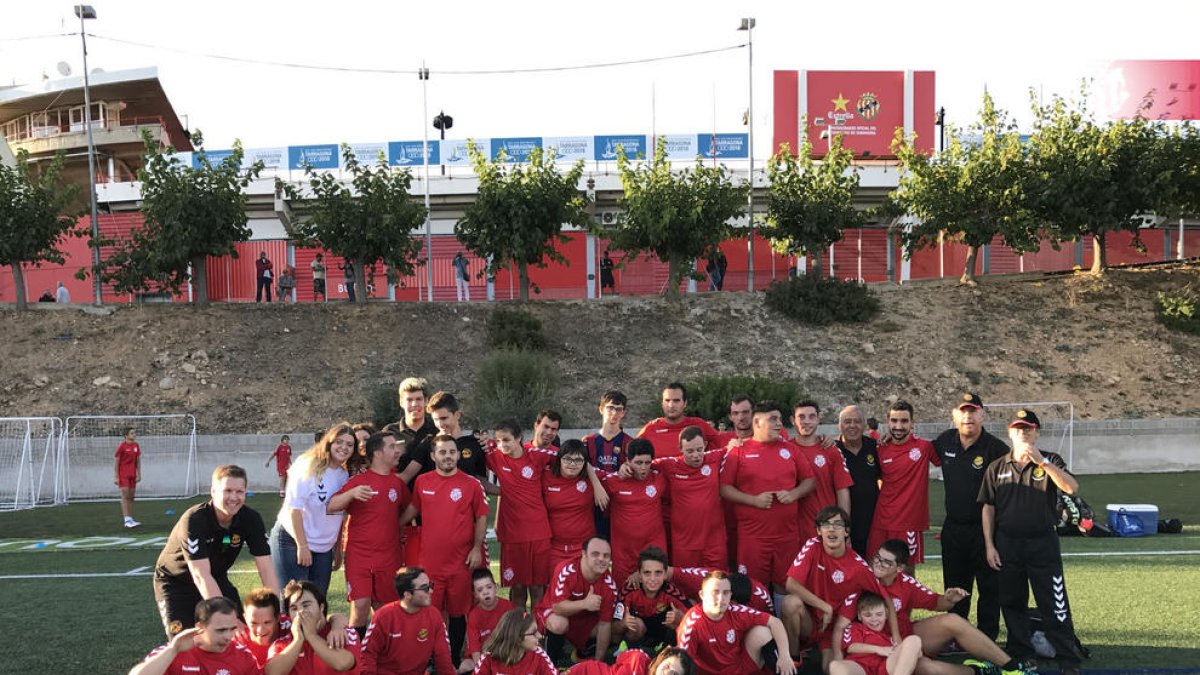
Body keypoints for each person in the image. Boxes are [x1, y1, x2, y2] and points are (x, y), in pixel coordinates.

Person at [979, 409, 1084, 675]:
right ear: (1010, 433)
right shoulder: (997, 467)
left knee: (1054, 603)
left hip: (1042, 543)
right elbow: (988, 508)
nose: (1023, 433)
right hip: (1007, 544)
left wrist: (1044, 464)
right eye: (1018, 429)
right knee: (1012, 602)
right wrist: (990, 546)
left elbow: (1071, 488)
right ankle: (1022, 654)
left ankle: (1067, 658)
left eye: (1028, 428)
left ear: (1037, 432)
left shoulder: (1050, 460)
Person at [838, 539, 1031, 675]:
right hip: (876, 648)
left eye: (886, 562)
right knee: (928, 669)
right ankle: (980, 671)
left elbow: (935, 603)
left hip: (908, 638)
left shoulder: (905, 582)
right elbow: (844, 628)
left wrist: (948, 600)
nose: (878, 564)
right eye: (877, 558)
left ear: (899, 569)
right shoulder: (862, 582)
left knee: (953, 620)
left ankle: (1012, 667)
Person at [153, 465, 279, 637]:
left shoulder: (251, 519)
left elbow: (266, 567)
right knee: (185, 644)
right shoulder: (194, 520)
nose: (234, 498)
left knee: (241, 637)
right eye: (227, 491)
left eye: (239, 492)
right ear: (213, 491)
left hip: (217, 578)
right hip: (177, 583)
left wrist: (276, 610)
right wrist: (229, 619)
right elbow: (200, 575)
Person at [399, 434, 489, 666]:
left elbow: (481, 517)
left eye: (451, 452)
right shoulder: (423, 481)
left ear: (458, 455)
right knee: (430, 612)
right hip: (430, 564)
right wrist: (395, 525)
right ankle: (429, 657)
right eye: (442, 452)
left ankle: (452, 658)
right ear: (433, 456)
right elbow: (413, 508)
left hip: (461, 562)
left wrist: (477, 549)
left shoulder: (471, 484)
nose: (447, 456)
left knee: (459, 613)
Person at [932, 393, 1010, 641]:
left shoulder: (997, 449)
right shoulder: (945, 441)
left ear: (982, 415)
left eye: (973, 411)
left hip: (986, 531)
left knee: (990, 589)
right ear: (955, 416)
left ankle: (986, 638)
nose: (968, 416)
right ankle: (956, 637)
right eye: (963, 412)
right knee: (955, 588)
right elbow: (916, 450)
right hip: (953, 529)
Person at [781, 506, 896, 670]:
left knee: (831, 668)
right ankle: (793, 659)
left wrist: (897, 636)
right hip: (811, 621)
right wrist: (824, 607)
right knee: (790, 603)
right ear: (819, 531)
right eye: (826, 524)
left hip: (834, 630)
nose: (832, 529)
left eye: (838, 524)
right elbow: (790, 584)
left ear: (846, 532)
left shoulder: (858, 567)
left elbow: (886, 600)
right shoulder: (813, 546)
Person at [719, 400, 816, 595]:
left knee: (785, 586)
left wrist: (793, 494)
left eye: (780, 419)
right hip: (753, 538)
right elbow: (724, 489)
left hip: (787, 536)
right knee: (755, 588)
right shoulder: (739, 451)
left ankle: (782, 621)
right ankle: (760, 622)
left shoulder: (789, 449)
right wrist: (753, 500)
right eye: (773, 419)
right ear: (756, 423)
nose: (779, 423)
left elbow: (810, 480)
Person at [328, 430, 411, 638]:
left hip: (389, 556)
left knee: (384, 609)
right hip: (360, 555)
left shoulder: (397, 483)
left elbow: (410, 509)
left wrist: (398, 527)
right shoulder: (359, 481)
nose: (397, 451)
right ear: (377, 453)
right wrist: (351, 494)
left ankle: (379, 654)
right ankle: (357, 658)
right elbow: (331, 505)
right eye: (392, 447)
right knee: (360, 606)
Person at [270, 423, 354, 594]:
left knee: (318, 602)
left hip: (323, 548)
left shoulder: (344, 475)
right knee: (294, 601)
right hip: (293, 540)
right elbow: (294, 509)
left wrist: (336, 550)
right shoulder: (308, 466)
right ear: (329, 442)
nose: (344, 447)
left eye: (349, 444)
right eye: (339, 442)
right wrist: (302, 546)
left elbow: (337, 517)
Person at [486, 418, 556, 612]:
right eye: (498, 441)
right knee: (516, 588)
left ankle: (538, 632)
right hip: (512, 534)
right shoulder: (495, 456)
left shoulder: (537, 456)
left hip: (538, 532)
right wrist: (499, 491)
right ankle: (516, 632)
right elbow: (473, 470)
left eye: (506, 440)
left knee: (536, 588)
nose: (502, 445)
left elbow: (574, 459)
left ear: (519, 438)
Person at [676, 570, 795, 675]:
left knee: (762, 632)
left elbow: (775, 622)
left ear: (730, 595)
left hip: (739, 668)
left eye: (725, 592)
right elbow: (683, 662)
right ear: (702, 595)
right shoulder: (691, 623)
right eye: (715, 592)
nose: (721, 598)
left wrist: (785, 655)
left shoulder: (735, 610)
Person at [867, 400, 940, 570]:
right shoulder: (879, 448)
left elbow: (948, 463)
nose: (898, 426)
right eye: (894, 421)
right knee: (875, 570)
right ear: (887, 421)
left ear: (912, 423)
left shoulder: (924, 447)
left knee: (906, 574)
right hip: (881, 520)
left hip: (909, 523)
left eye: (904, 421)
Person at [537, 536, 618, 668]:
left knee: (616, 628)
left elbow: (604, 625)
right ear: (584, 554)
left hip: (583, 621)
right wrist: (584, 603)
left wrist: (598, 664)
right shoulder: (566, 570)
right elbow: (557, 607)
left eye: (606, 555)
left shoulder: (609, 586)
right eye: (595, 554)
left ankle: (588, 653)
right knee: (559, 623)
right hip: (554, 612)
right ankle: (551, 663)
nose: (601, 559)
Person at [653, 426, 726, 569]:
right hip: (685, 543)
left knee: (718, 584)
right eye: (690, 451)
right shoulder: (669, 465)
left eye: (699, 449)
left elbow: (737, 447)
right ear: (680, 448)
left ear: (705, 445)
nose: (696, 455)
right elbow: (643, 464)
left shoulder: (715, 457)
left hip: (714, 542)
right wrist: (626, 467)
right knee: (686, 585)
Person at [359, 566, 456, 674]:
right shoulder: (383, 616)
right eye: (425, 588)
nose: (431, 591)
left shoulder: (434, 616)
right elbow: (367, 655)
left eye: (431, 585)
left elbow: (443, 657)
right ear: (407, 595)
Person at [130, 597, 262, 675]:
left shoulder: (243, 656)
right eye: (221, 630)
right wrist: (173, 650)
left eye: (232, 629)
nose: (228, 637)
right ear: (200, 627)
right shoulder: (174, 652)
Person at [601, 438, 668, 584]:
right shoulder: (612, 481)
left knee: (654, 592)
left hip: (653, 548)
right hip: (623, 553)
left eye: (647, 462)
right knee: (623, 594)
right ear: (627, 461)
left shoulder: (659, 478)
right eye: (638, 463)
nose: (644, 467)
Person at [266, 580, 360, 675]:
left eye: (306, 605)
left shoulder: (342, 633)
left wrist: (312, 636)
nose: (300, 611)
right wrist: (298, 640)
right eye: (294, 608)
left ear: (321, 607)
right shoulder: (283, 642)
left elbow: (343, 664)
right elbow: (272, 672)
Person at [791, 400, 854, 543]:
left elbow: (842, 490)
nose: (806, 421)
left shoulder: (831, 450)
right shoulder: (785, 450)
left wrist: (844, 528)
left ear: (818, 419)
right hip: (794, 531)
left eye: (811, 416)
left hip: (827, 528)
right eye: (801, 417)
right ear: (792, 420)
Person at [613, 547, 689, 653]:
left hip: (662, 631)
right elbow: (613, 628)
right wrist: (624, 623)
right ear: (639, 575)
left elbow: (694, 618)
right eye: (647, 573)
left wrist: (680, 617)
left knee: (679, 618)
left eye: (658, 573)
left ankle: (670, 650)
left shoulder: (671, 591)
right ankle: (627, 652)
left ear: (665, 574)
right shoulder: (629, 590)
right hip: (639, 633)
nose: (653, 578)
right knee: (636, 624)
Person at [829, 592, 923, 675]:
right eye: (868, 615)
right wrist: (879, 649)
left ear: (886, 614)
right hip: (860, 666)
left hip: (885, 666)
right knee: (835, 666)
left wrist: (914, 651)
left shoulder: (890, 634)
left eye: (879, 614)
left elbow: (910, 652)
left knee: (914, 640)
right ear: (859, 615)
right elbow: (851, 647)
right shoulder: (856, 627)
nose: (874, 619)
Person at [583, 390, 632, 538]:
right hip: (592, 505)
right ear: (601, 409)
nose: (614, 413)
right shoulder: (588, 442)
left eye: (619, 409)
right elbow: (581, 466)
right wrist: (597, 485)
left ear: (623, 412)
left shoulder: (630, 443)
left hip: (620, 506)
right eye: (610, 408)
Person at [544, 439, 598, 571]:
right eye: (568, 459)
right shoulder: (545, 477)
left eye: (578, 460)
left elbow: (618, 477)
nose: (573, 464)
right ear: (560, 459)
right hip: (553, 548)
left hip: (584, 548)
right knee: (553, 589)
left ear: (585, 463)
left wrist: (625, 469)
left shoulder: (592, 479)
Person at [426, 391, 494, 491]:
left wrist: (509, 492)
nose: (440, 424)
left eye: (444, 418)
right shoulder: (428, 444)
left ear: (457, 415)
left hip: (467, 505)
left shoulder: (475, 444)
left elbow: (481, 482)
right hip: (440, 505)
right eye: (436, 419)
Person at [836, 406, 880, 558]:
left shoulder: (875, 447)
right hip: (843, 521)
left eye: (857, 421)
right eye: (847, 422)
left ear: (865, 425)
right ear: (839, 426)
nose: (852, 426)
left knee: (874, 569)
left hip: (873, 521)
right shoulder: (832, 450)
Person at [638, 382, 720, 459]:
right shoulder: (649, 430)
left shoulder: (699, 425)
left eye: (676, 401)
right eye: (667, 400)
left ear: (685, 403)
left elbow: (725, 447)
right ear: (662, 403)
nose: (671, 405)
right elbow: (632, 458)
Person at [472, 609, 558, 674]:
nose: (539, 636)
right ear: (518, 638)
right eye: (534, 632)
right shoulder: (489, 656)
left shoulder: (538, 654)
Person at [464, 569, 516, 674]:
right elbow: (475, 651)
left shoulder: (509, 606)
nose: (485, 592)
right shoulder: (474, 615)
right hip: (484, 656)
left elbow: (516, 636)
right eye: (480, 590)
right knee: (464, 666)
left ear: (496, 587)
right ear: (475, 595)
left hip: (506, 652)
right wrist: (484, 668)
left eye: (489, 587)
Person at [233, 588, 284, 667]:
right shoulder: (236, 642)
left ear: (278, 618)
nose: (260, 630)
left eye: (267, 622)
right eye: (254, 623)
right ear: (245, 618)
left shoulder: (290, 630)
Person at [114, 427, 142, 528]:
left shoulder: (136, 446)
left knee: (131, 497)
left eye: (134, 433)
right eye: (132, 433)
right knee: (125, 496)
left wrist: (138, 474)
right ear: (126, 436)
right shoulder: (122, 447)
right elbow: (116, 462)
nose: (134, 435)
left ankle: (131, 519)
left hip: (132, 474)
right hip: (123, 475)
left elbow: (138, 461)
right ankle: (126, 520)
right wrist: (116, 476)